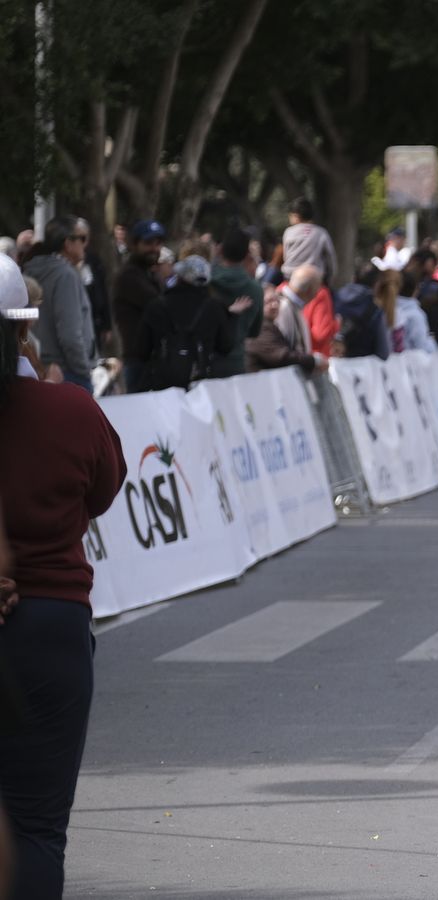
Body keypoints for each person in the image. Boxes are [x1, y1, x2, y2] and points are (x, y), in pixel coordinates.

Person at [0, 251, 127, 900]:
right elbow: (105, 490)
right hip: (50, 628)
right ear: (23, 330)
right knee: (37, 830)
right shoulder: (72, 412)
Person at [136, 256, 246, 391]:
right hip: (199, 385)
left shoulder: (156, 306)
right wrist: (232, 317)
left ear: (179, 277)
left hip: (162, 386)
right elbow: (225, 346)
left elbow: (141, 351)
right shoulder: (213, 307)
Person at [21, 216, 96, 392]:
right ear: (68, 243)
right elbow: (70, 334)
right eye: (82, 239)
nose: (85, 244)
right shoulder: (65, 276)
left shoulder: (31, 269)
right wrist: (84, 371)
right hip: (67, 373)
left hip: (41, 369)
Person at [112, 219, 166, 392]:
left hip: (152, 358)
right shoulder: (130, 276)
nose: (154, 249)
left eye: (158, 243)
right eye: (148, 243)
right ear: (135, 245)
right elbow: (158, 305)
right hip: (138, 360)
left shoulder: (149, 274)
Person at [208, 229, 265, 378]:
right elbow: (254, 331)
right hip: (236, 365)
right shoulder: (255, 290)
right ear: (247, 255)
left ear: (220, 250)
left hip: (206, 362)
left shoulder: (205, 283)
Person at [246, 286, 321, 374]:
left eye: (277, 300)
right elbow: (282, 357)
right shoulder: (260, 328)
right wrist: (314, 361)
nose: (275, 305)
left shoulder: (268, 325)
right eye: (268, 301)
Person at [281, 197, 338, 287]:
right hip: (314, 280)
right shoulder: (321, 232)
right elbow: (330, 258)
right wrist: (330, 277)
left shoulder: (288, 232)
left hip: (290, 278)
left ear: (296, 216)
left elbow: (285, 256)